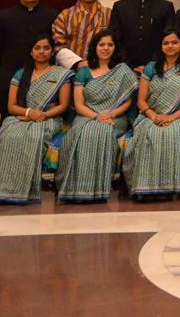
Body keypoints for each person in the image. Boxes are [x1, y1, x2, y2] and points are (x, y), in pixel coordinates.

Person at [0, 36, 72, 204]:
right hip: (23, 118)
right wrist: (30, 113)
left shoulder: (61, 74)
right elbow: (11, 107)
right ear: (31, 51)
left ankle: (25, 190)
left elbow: (63, 105)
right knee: (9, 137)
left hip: (50, 119)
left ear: (52, 51)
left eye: (46, 48)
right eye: (37, 48)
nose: (42, 52)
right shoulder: (21, 74)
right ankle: (3, 189)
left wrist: (43, 115)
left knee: (33, 137)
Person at [56, 31, 138, 202]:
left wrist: (111, 114)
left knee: (103, 133)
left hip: (115, 117)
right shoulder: (84, 72)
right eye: (102, 45)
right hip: (87, 116)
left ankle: (98, 188)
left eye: (110, 44)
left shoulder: (122, 70)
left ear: (115, 48)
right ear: (94, 47)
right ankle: (76, 188)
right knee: (81, 134)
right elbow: (79, 104)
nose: (106, 48)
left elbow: (128, 102)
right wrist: (97, 116)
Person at [123, 28, 180, 199]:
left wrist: (171, 117)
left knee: (170, 133)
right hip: (150, 116)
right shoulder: (152, 68)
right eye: (166, 43)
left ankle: (166, 188)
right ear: (161, 46)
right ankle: (145, 187)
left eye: (174, 42)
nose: (170, 46)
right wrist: (154, 116)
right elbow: (141, 101)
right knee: (148, 134)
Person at [0, 0, 57, 119]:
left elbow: (55, 47)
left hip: (42, 79)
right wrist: (5, 71)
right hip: (9, 78)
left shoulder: (52, 15)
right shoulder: (4, 16)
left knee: (40, 122)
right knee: (7, 122)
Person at [111, 0, 176, 72]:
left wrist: (151, 65)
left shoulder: (166, 6)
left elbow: (168, 38)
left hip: (157, 67)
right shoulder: (120, 7)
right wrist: (128, 65)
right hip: (124, 67)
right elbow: (115, 38)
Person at [52, 0, 112, 67]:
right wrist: (78, 63)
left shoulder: (109, 14)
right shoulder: (65, 15)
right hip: (71, 70)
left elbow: (115, 44)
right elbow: (58, 46)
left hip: (102, 70)